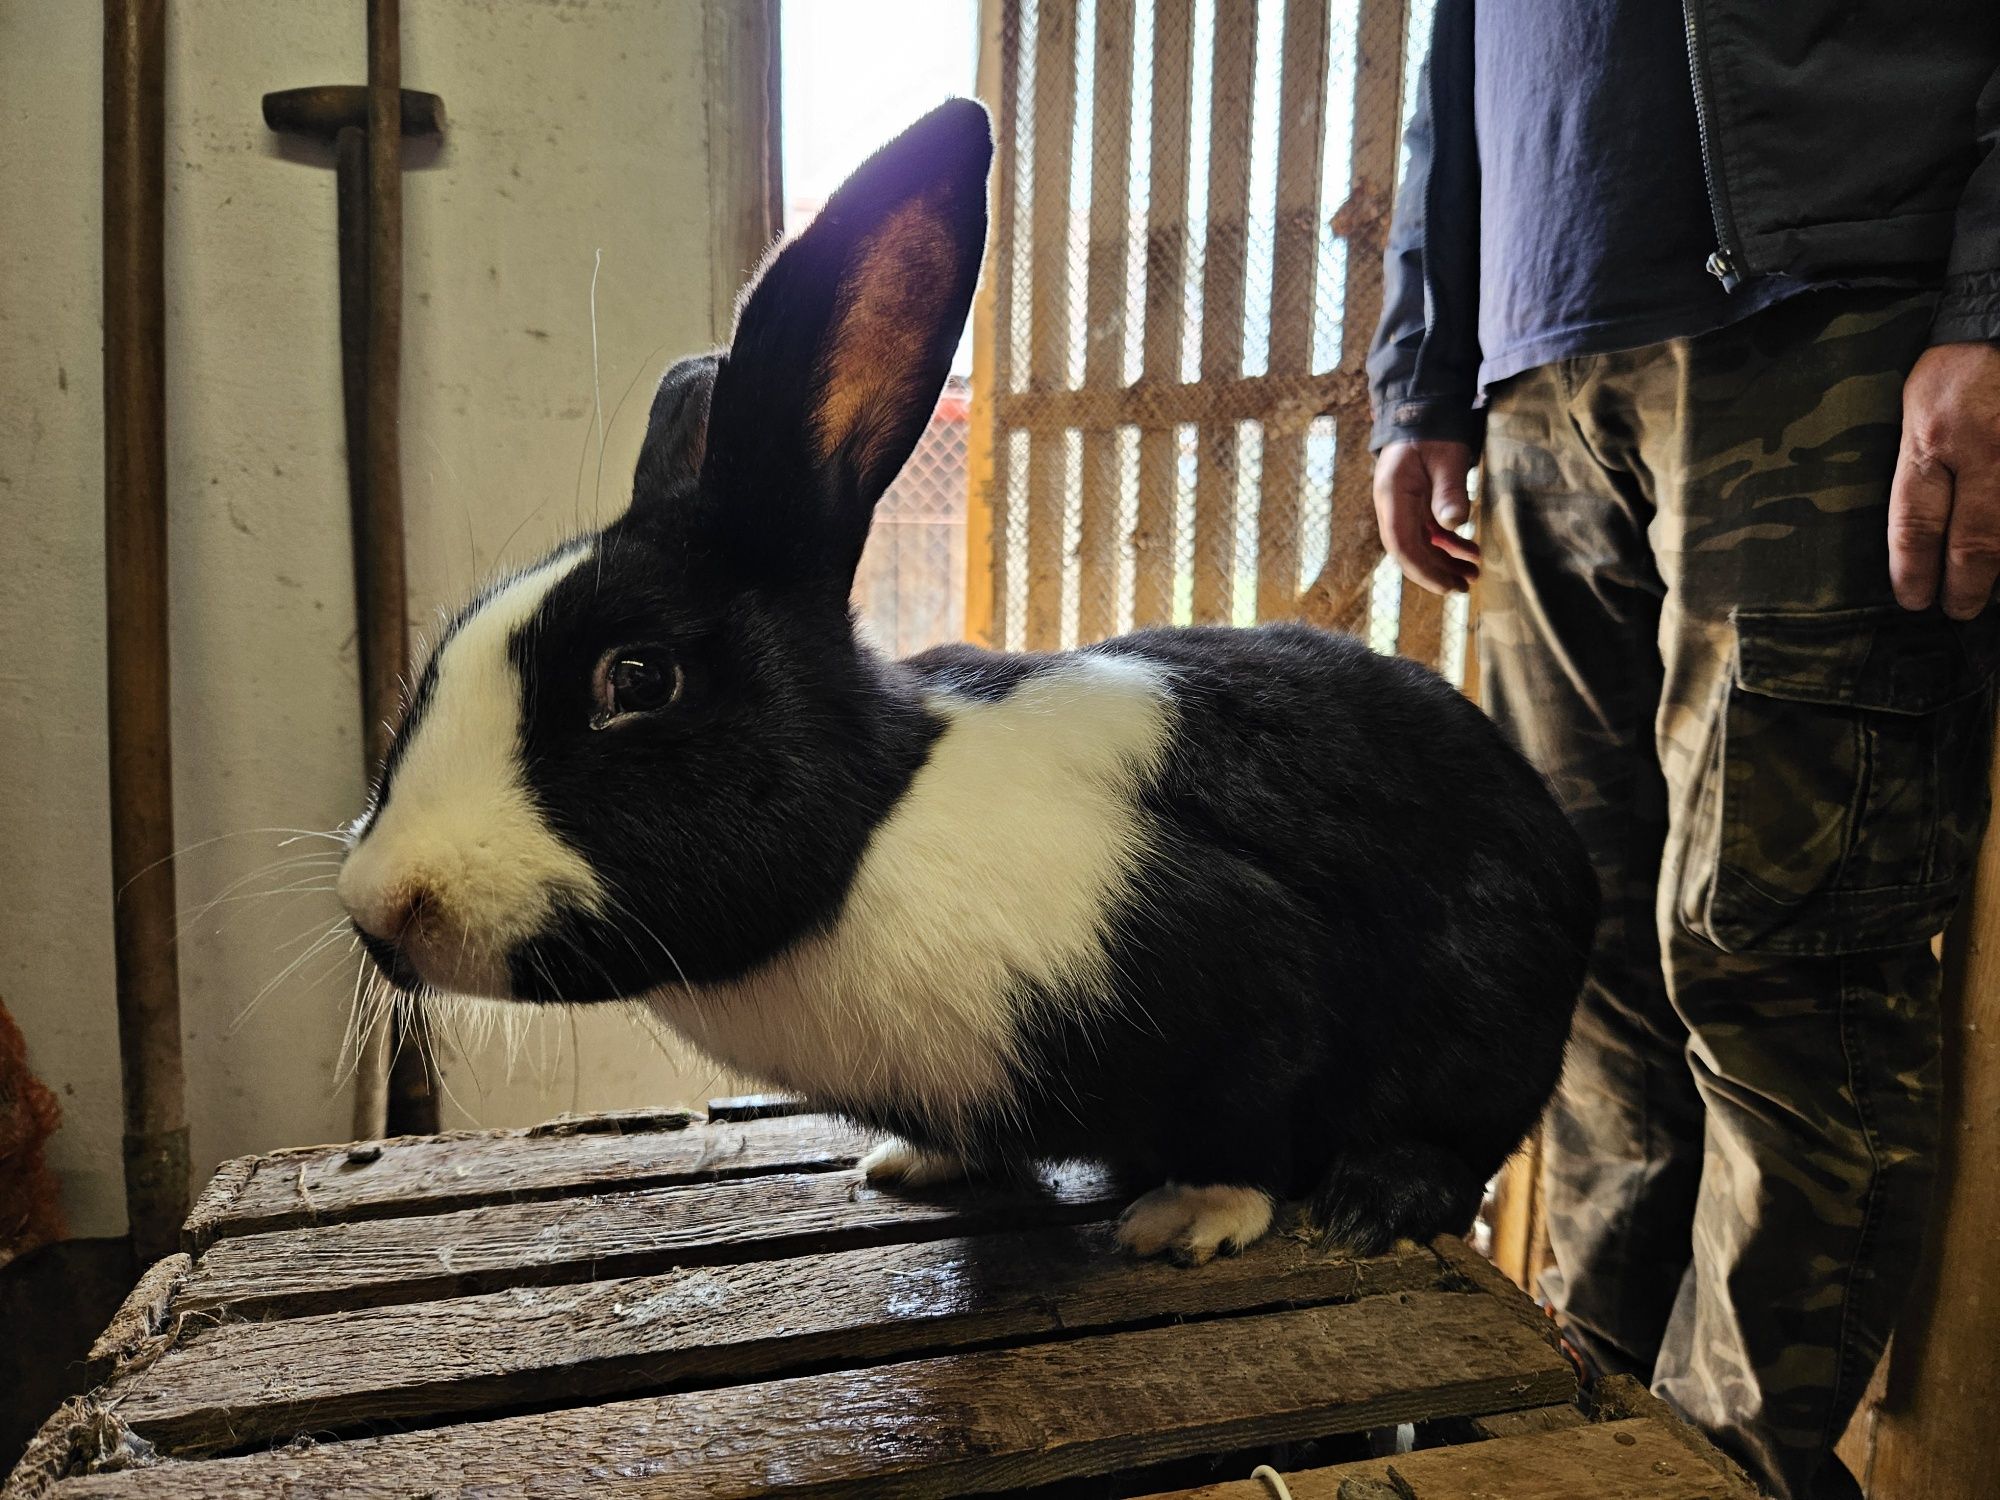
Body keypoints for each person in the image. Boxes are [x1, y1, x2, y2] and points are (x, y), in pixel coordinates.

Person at [1367, 4, 2000, 1497]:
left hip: (1830, 306)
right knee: (1579, 962)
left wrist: (1992, 297)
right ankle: (1585, 1444)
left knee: (1776, 961)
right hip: (1543, 343)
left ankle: (1727, 1479)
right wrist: (1425, 359)